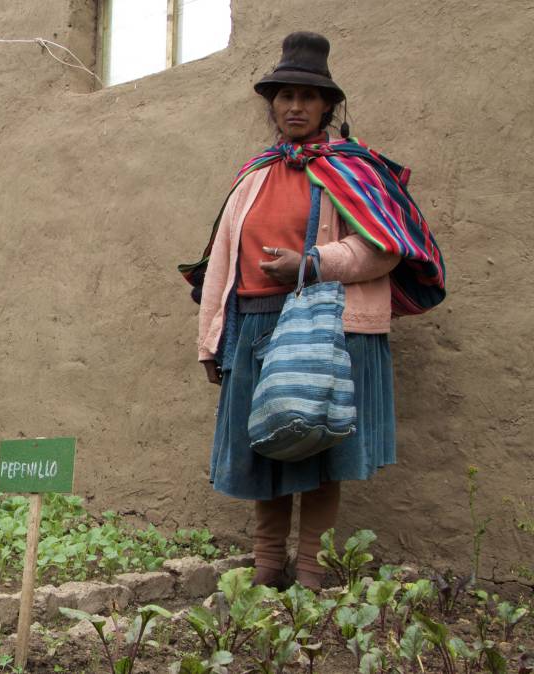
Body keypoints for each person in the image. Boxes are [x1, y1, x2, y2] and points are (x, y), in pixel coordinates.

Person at [179, 32, 446, 590]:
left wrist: (312, 261)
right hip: (253, 326)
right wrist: (212, 340)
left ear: (328, 106)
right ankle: (266, 566)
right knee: (263, 451)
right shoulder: (252, 176)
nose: (294, 107)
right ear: (271, 106)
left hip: (327, 326)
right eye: (284, 97)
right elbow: (221, 265)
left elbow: (384, 249)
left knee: (320, 449)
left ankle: (311, 572)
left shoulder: (355, 171)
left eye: (307, 96)